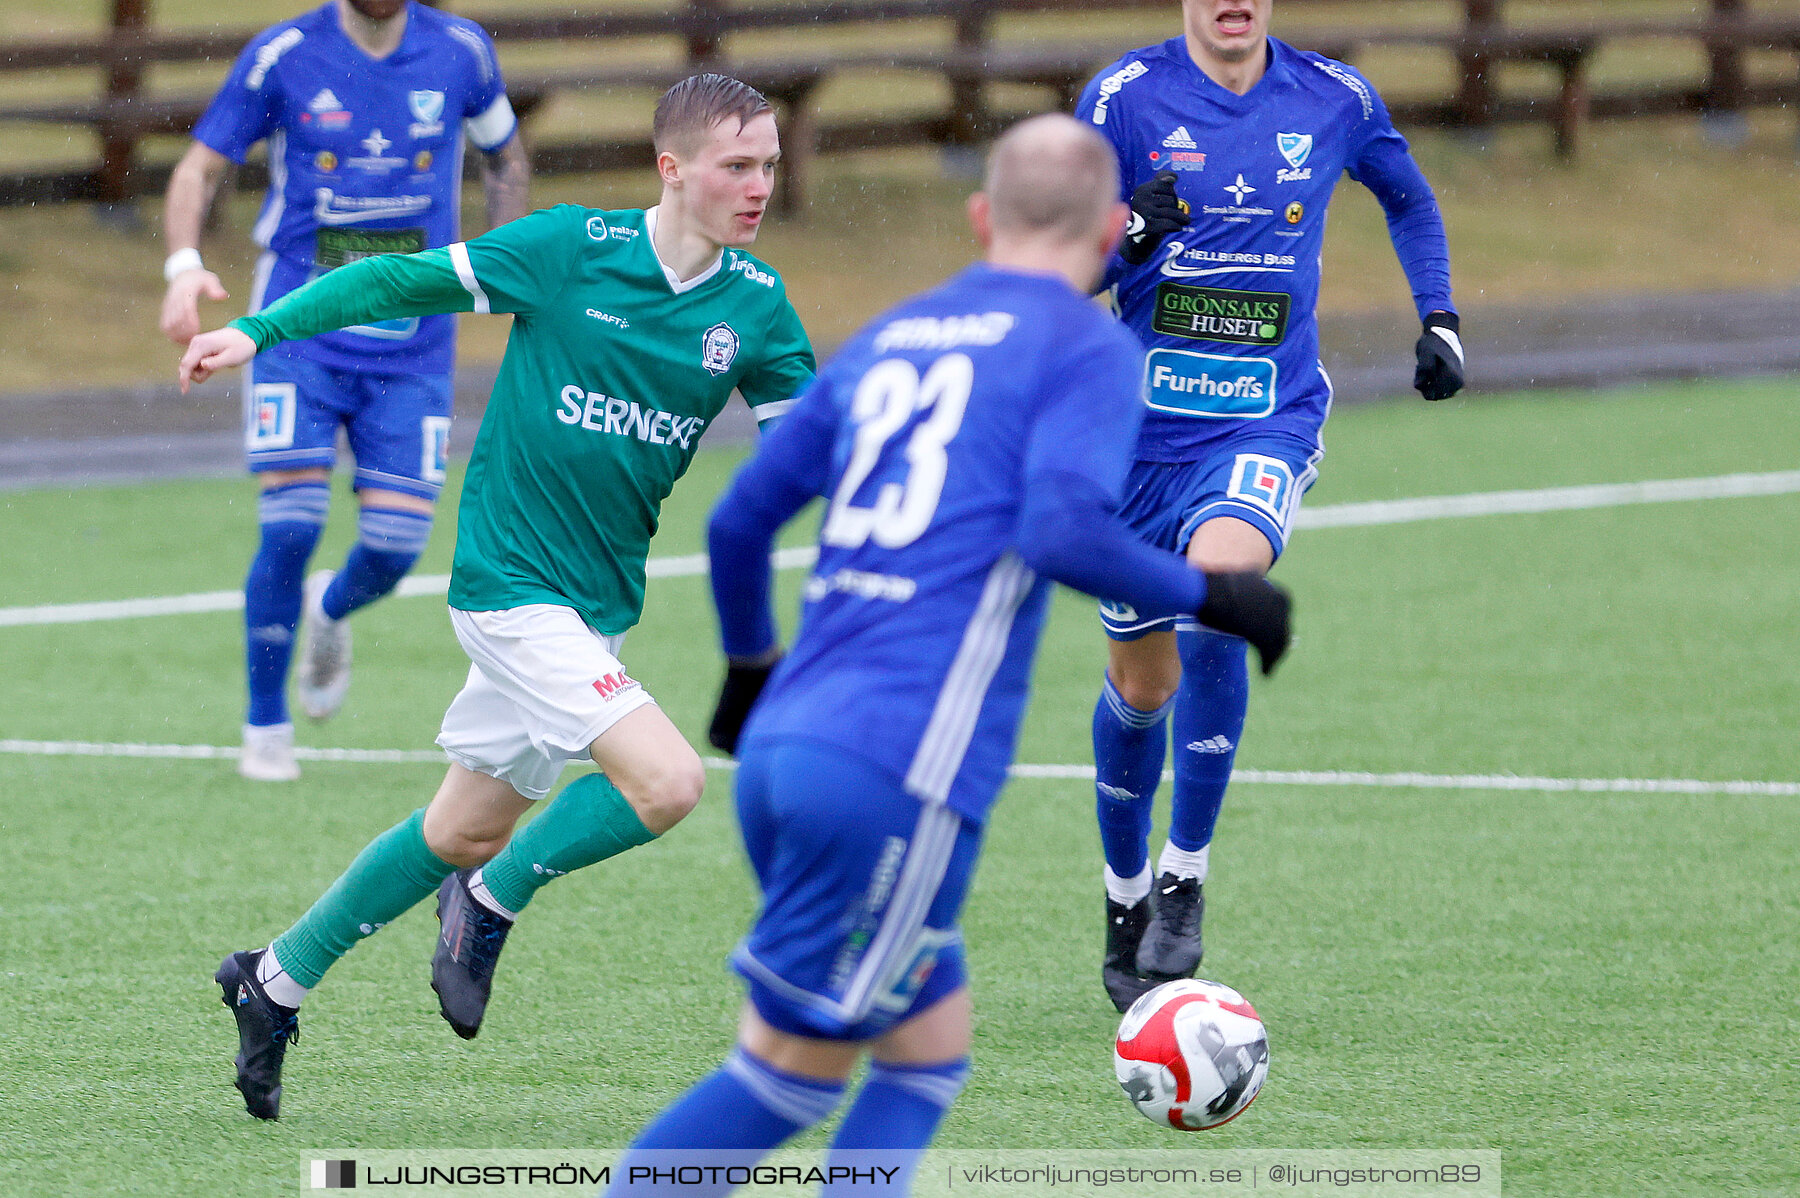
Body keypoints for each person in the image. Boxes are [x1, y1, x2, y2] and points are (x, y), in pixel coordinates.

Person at [601, 113, 1292, 1197]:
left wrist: (746, 672)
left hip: (791, 747)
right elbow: (1061, 531)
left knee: (926, 1051)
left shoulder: (896, 332)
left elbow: (739, 524)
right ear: (1118, 227)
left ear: (982, 217)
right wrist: (1220, 595)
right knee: (785, 1080)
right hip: (898, 770)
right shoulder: (1085, 346)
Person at [178, 75, 815, 1120]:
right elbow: (397, 280)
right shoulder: (571, 248)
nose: (757, 186)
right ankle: (491, 902)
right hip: (509, 587)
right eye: (736, 165)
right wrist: (261, 331)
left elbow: (809, 450)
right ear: (673, 168)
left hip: (594, 602)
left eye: (769, 166)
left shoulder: (756, 306)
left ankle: (271, 978)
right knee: (668, 783)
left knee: (461, 827)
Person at [1074, 0, 1464, 1012]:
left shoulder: (1335, 97)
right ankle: (1123, 894)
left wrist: (1441, 316)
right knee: (1139, 688)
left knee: (1227, 589)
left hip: (1263, 419)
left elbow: (1411, 200)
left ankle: (1184, 876)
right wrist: (1124, 239)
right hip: (1133, 440)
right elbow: (1052, 268)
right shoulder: (1121, 100)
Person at [160, 0, 532, 783]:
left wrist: (506, 264)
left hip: (416, 334)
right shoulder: (284, 54)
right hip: (297, 324)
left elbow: (507, 159)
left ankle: (329, 612)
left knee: (396, 548)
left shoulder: (462, 52)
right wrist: (183, 264)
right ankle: (266, 728)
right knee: (290, 525)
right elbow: (200, 167)